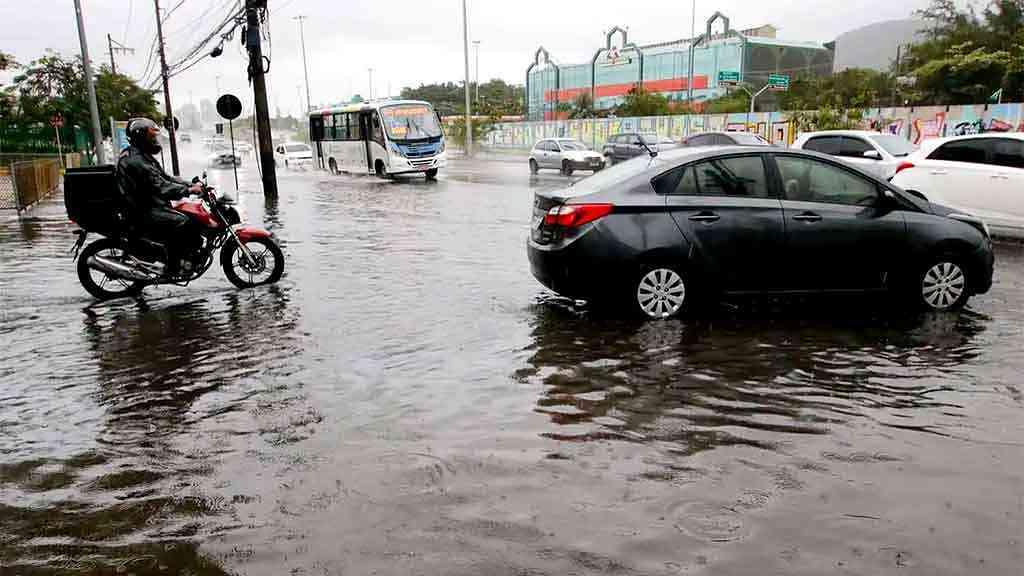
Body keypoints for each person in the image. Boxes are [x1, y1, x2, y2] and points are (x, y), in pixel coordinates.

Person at [116, 117, 202, 276]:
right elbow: (161, 187)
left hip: (147, 204)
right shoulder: (136, 160)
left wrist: (190, 185)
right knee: (184, 222)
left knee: (185, 215)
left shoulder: (141, 155)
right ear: (141, 137)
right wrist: (189, 191)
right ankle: (173, 266)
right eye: (152, 137)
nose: (155, 140)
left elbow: (165, 178)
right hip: (141, 209)